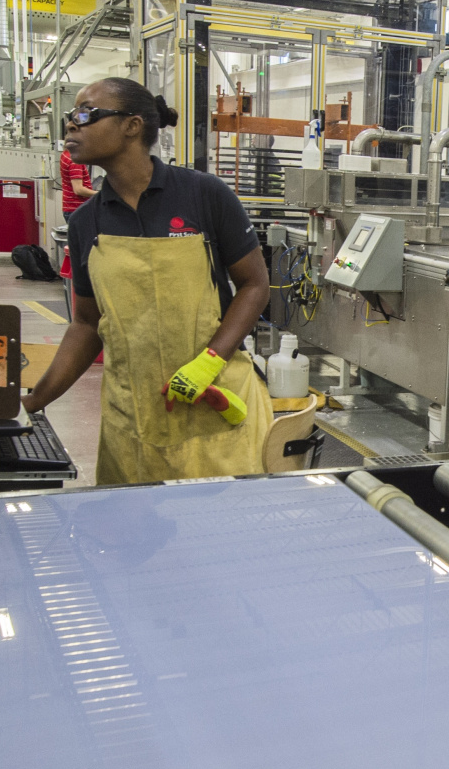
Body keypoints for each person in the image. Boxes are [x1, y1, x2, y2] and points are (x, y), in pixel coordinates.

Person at [23, 78, 273, 484]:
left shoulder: (203, 195)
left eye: (86, 113)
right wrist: (33, 401)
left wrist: (209, 362)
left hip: (215, 404)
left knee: (220, 519)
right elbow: (86, 325)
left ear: (132, 125)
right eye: (71, 116)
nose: (71, 124)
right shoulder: (86, 223)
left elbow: (254, 285)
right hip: (132, 419)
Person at [60, 146, 93, 219]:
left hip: (71, 207)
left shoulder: (65, 154)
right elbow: (78, 190)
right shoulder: (75, 161)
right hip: (77, 209)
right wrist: (99, 194)